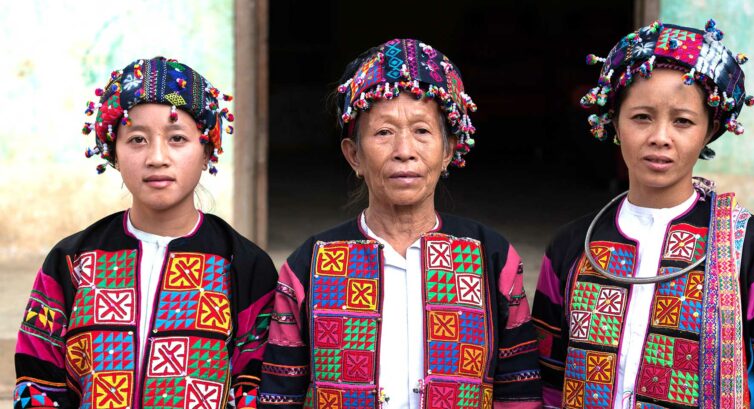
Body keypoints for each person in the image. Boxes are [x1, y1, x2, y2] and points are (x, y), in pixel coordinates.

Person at [532, 20, 754, 409]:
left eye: (682, 121)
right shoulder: (571, 247)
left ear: (710, 129)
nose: (660, 137)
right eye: (641, 117)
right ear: (614, 121)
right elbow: (547, 380)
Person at [259, 39, 541, 409]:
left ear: (448, 151)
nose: (404, 150)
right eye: (383, 132)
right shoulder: (308, 265)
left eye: (422, 131)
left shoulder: (492, 257)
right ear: (354, 155)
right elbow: (279, 396)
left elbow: (519, 391)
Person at [14, 57, 277, 409]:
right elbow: (37, 381)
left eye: (177, 138)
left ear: (207, 151)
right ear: (113, 152)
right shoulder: (72, 262)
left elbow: (256, 388)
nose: (157, 157)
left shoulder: (243, 266)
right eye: (137, 139)